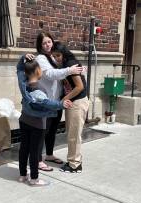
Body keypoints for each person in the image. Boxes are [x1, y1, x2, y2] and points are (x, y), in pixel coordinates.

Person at [20, 32, 83, 172]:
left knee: (52, 130)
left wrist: (76, 69)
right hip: (47, 101)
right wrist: (69, 70)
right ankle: (37, 159)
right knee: (43, 131)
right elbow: (49, 74)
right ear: (40, 45)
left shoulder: (53, 57)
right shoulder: (42, 58)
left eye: (49, 41)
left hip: (58, 100)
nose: (47, 45)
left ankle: (49, 154)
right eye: (44, 43)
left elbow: (63, 68)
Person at [18, 59, 72, 186]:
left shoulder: (23, 85)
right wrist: (61, 104)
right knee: (35, 151)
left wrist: (23, 59)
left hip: (24, 120)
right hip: (37, 124)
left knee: (24, 149)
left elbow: (19, 71)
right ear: (37, 71)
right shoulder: (39, 89)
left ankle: (22, 175)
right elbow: (46, 103)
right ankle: (34, 179)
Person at [51, 41, 89, 173]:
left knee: (74, 135)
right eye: (53, 56)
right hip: (75, 102)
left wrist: (63, 99)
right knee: (72, 134)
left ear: (63, 53)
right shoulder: (66, 64)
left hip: (77, 103)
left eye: (58, 55)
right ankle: (74, 160)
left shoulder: (69, 63)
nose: (56, 58)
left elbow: (79, 87)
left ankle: (75, 164)